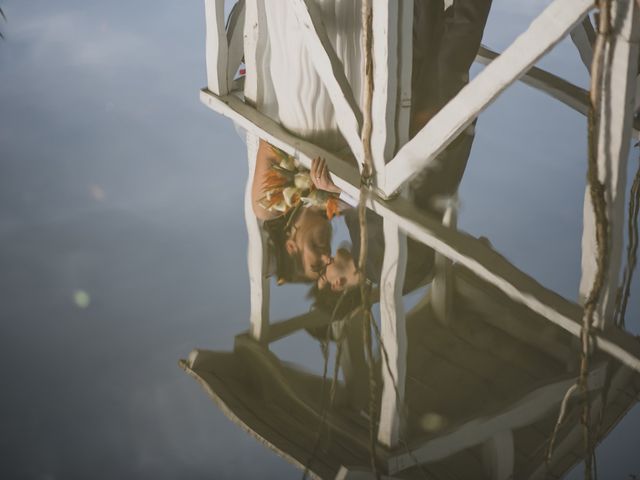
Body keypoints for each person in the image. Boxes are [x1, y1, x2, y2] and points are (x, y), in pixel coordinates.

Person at [316, 0, 493, 296]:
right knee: (456, 39)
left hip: (410, 128)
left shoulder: (368, 256)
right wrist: (338, 189)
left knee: (421, 31)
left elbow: (366, 204)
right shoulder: (386, 272)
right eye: (324, 272)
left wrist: (337, 191)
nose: (326, 261)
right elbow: (386, 209)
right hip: (432, 140)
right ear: (337, 284)